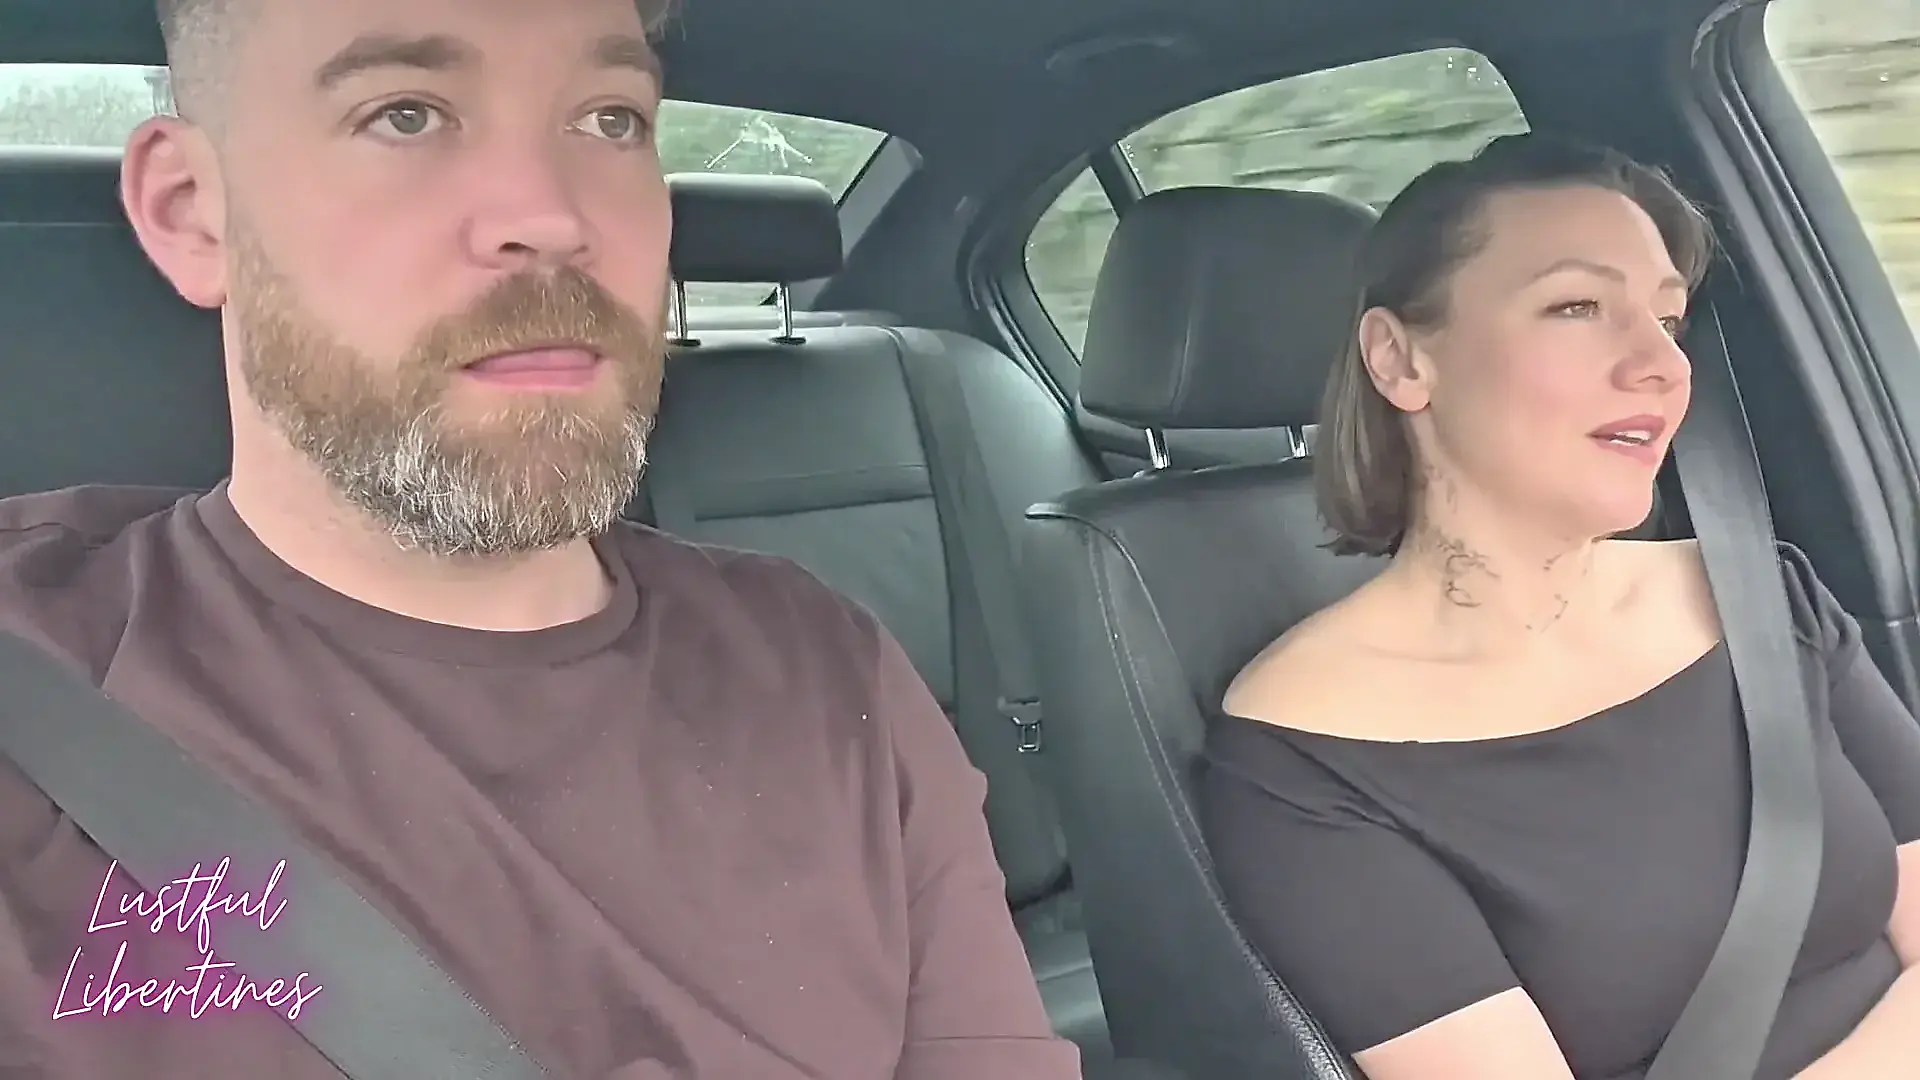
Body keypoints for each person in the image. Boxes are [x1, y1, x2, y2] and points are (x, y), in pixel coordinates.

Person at [0, 0, 1085, 1077]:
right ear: (193, 214)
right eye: (407, 114)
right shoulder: (36, 680)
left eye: (611, 119)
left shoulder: (826, 667)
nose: (554, 217)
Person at [1198, 133, 1920, 1080]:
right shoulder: (1304, 759)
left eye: (1669, 318)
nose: (1663, 365)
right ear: (1400, 360)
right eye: (1576, 306)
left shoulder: (1761, 592)